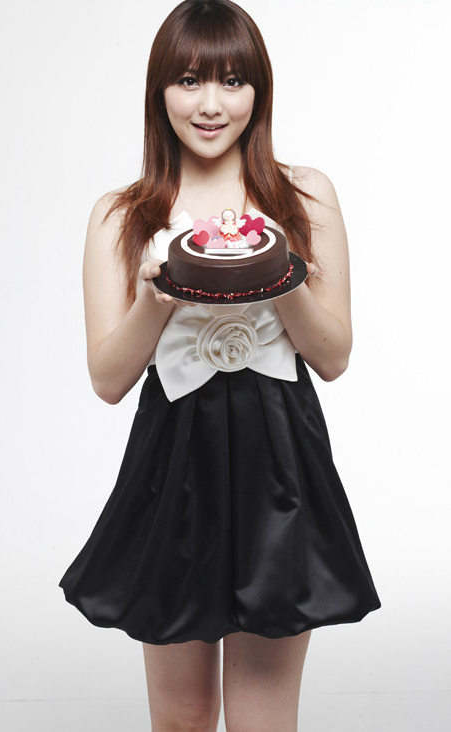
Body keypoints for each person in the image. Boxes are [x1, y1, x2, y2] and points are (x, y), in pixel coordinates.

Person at [58, 1, 381, 730]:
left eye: (233, 81)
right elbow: (108, 380)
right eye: (189, 80)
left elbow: (333, 357)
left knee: (264, 720)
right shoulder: (122, 214)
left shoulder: (304, 195)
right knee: (183, 719)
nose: (211, 104)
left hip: (280, 463)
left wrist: (281, 277)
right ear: (159, 92)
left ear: (260, 90)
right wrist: (156, 297)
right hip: (173, 460)